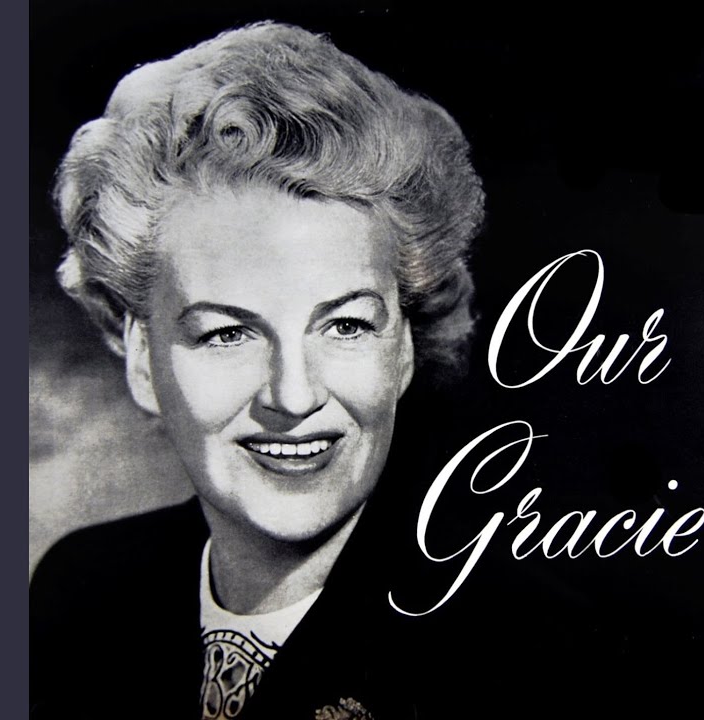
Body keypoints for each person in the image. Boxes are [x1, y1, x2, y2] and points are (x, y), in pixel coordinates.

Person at [30, 22, 485, 719]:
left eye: (346, 326)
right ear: (144, 358)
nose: (293, 397)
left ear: (402, 350)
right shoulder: (79, 592)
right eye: (228, 333)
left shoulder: (530, 654)